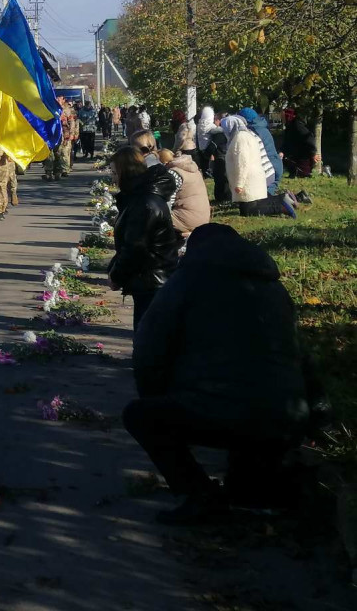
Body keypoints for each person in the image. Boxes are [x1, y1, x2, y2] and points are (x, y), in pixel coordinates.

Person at [123, 223, 312, 524]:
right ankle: (260, 487)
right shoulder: (274, 288)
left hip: (223, 412)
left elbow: (149, 349)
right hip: (287, 417)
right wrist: (316, 418)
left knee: (140, 416)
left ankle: (200, 496)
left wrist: (159, 396)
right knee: (248, 475)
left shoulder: (186, 281)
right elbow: (300, 355)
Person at [107, 146, 181, 333]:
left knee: (148, 334)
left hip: (153, 279)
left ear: (127, 172)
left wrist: (117, 275)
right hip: (149, 276)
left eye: (115, 172)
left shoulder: (144, 203)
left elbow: (135, 247)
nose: (113, 178)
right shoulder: (139, 198)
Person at [221, 117, 296, 218]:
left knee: (249, 210)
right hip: (254, 177)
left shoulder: (240, 138)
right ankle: (282, 199)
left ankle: (281, 207)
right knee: (250, 206)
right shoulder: (247, 135)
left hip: (248, 180)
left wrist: (239, 183)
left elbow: (242, 163)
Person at [157, 149, 211, 236]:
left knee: (153, 217)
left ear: (164, 163)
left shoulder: (173, 173)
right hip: (202, 217)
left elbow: (168, 202)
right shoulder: (192, 168)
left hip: (188, 220)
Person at [239, 108, 282, 193]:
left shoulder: (253, 132)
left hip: (268, 168)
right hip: (276, 163)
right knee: (271, 188)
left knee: (266, 195)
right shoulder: (263, 128)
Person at [42, 99, 75, 180]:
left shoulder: (66, 110)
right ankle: (49, 172)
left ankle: (58, 171)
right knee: (49, 154)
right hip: (49, 135)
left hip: (61, 135)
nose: (57, 99)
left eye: (59, 98)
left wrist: (71, 134)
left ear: (63, 99)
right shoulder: (47, 108)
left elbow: (72, 123)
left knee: (59, 153)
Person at [281, 107, 316, 178]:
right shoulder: (289, 127)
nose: (282, 118)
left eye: (283, 116)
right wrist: (282, 151)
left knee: (303, 173)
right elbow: (286, 142)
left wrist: (313, 153)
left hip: (302, 157)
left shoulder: (297, 126)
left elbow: (309, 138)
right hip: (295, 155)